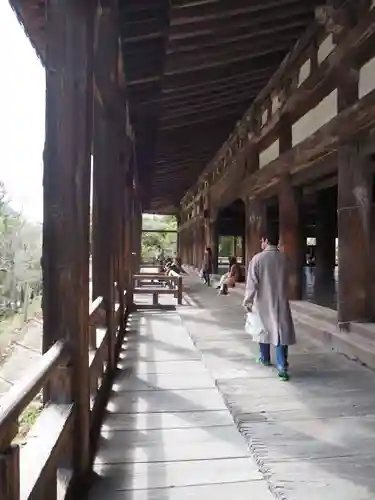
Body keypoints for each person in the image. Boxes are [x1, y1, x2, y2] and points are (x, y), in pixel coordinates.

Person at [243, 228, 296, 381]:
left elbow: (252, 284)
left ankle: (264, 358)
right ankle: (282, 366)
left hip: (263, 301)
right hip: (280, 300)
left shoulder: (257, 259)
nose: (261, 243)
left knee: (263, 330)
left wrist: (248, 300)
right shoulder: (285, 258)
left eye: (262, 241)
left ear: (265, 240)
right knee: (280, 332)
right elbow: (290, 279)